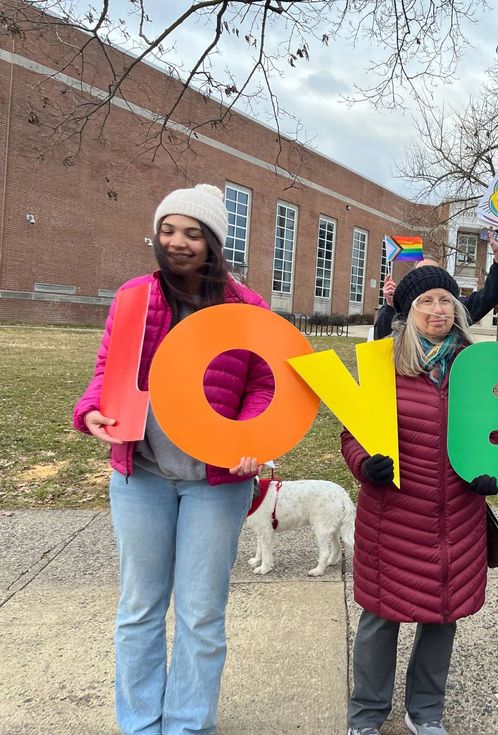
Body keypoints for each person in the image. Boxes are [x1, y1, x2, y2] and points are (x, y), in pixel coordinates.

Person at [72, 184, 273, 735]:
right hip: (143, 477)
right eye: (168, 230)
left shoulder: (246, 307)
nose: (178, 243)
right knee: (139, 607)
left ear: (213, 242)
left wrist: (254, 437)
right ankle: (139, 724)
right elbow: (107, 367)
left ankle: (187, 725)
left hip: (216, 482)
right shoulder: (134, 296)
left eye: (192, 233)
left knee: (201, 614)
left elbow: (264, 382)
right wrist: (92, 407)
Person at [341, 266, 498, 735]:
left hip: (457, 518)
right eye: (427, 301)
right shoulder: (384, 363)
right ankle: (367, 715)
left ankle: (425, 711)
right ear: (408, 312)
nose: (438, 310)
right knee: (379, 620)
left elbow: (492, 434)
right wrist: (362, 464)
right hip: (393, 519)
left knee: (443, 617)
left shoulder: (474, 365)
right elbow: (352, 435)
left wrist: (489, 471)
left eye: (446, 301)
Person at [372, 232, 498, 339]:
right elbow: (383, 342)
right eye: (426, 300)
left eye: (443, 300)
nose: (437, 310)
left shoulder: (456, 310)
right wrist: (390, 306)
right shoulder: (402, 314)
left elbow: (489, 296)